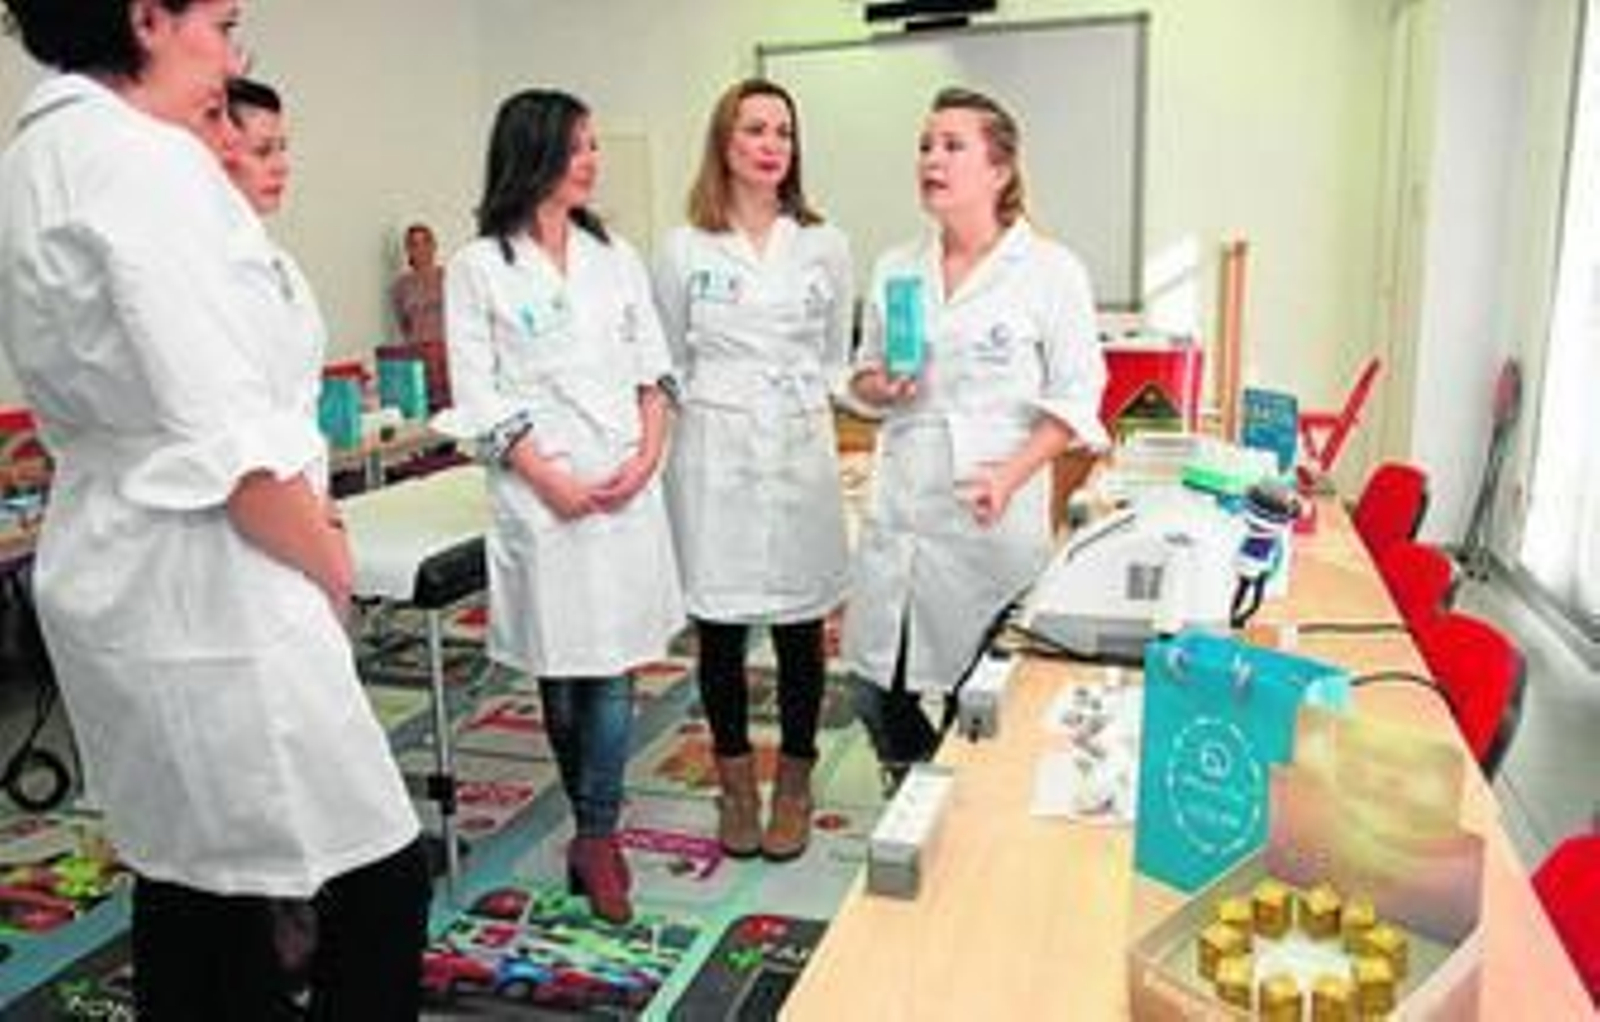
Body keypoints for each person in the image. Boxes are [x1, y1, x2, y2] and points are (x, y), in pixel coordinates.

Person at [0, 4, 429, 1019]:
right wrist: (329, 554)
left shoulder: (40, 155)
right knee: (376, 882)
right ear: (149, 17)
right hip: (214, 576)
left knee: (196, 887)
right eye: (224, 23)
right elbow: (227, 441)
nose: (231, 58)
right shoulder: (144, 165)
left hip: (124, 564)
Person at [441, 88, 683, 925]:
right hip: (540, 496)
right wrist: (546, 478)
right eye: (578, 146)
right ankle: (590, 821)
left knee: (610, 668)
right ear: (534, 152)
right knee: (561, 671)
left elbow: (654, 368)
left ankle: (597, 834)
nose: (592, 161)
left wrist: (646, 456)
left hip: (621, 489)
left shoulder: (615, 256)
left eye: (593, 146)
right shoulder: (478, 268)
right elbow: (477, 391)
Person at [842, 87, 1109, 785]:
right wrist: (880, 386)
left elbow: (1078, 396)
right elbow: (863, 374)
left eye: (952, 146)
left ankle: (952, 809)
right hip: (902, 510)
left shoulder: (1050, 271)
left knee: (980, 699)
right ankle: (917, 789)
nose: (931, 159)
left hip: (989, 517)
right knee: (872, 687)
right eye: (925, 146)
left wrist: (1011, 475)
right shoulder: (896, 266)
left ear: (999, 169)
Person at [654, 79, 851, 862]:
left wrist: (868, 391)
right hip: (714, 448)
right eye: (755, 130)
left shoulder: (824, 243)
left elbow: (834, 359)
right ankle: (736, 787)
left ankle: (794, 785)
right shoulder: (683, 247)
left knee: (803, 627)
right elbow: (667, 361)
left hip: (799, 443)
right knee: (722, 628)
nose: (772, 145)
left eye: (783, 132)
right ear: (724, 143)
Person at [390, 221, 451, 409]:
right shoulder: (401, 286)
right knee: (424, 410)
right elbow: (404, 324)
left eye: (425, 242)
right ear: (408, 250)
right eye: (414, 244)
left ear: (434, 246)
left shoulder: (447, 277)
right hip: (418, 358)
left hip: (447, 354)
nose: (420, 249)